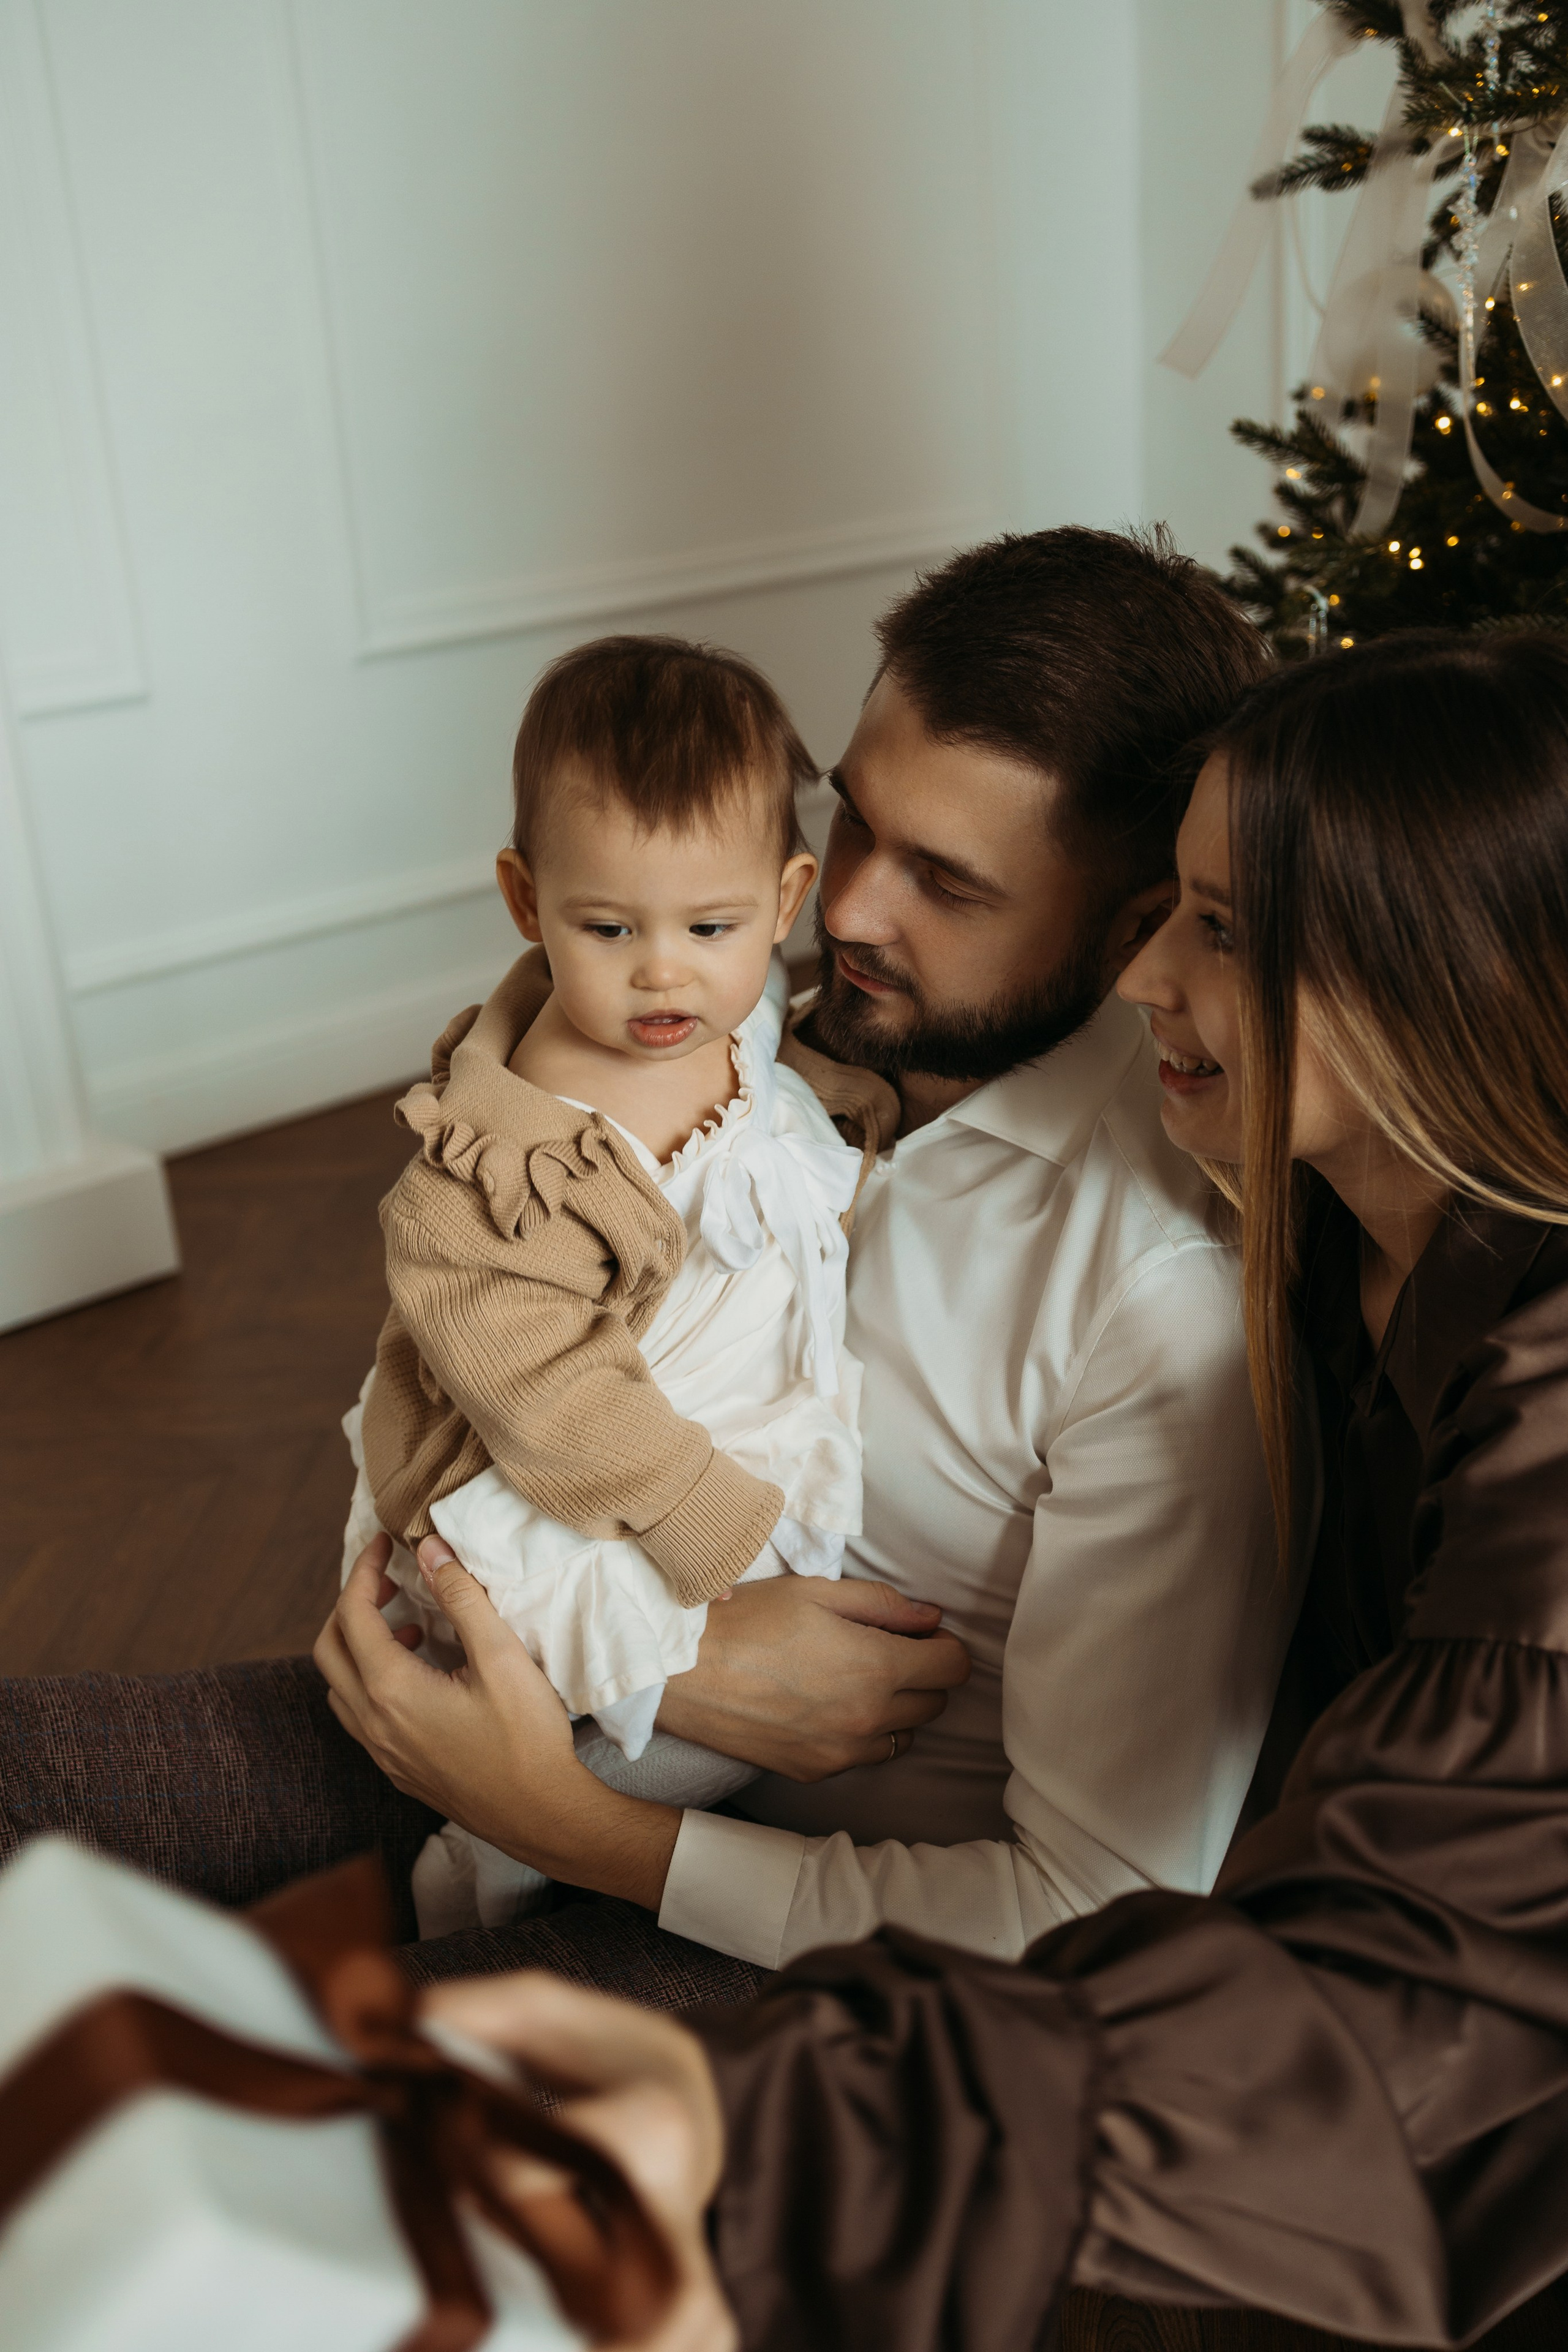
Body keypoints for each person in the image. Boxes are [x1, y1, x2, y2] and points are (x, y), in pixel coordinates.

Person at [463, 627, 1568, 2352]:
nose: (1144, 989)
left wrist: (738, 2123)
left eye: (1218, 928)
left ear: (1446, 975)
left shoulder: (1524, 1400)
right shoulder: (1318, 1246)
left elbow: (1376, 1995)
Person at [315, 527, 1291, 1969]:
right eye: (852, 822)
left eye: (946, 885)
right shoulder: (729, 1017)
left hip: (782, 1937)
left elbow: (1098, 1915)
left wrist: (573, 1827)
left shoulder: (1151, 1297)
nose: (839, 911)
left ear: (1134, 923)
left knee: (300, 2138)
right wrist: (597, 1662)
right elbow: (487, 1323)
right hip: (466, 1677)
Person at [341, 636, 886, 1936]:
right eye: (607, 927)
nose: (661, 973)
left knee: (752, 1732)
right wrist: (695, 1511)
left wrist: (834, 1113)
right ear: (527, 902)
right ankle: (491, 1873)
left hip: (692, 1410)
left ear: (785, 897)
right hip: (557, 1485)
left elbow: (764, 1098)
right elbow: (538, 1384)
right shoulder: (509, 1159)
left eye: (710, 926)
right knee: (649, 1730)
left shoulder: (731, 1010)